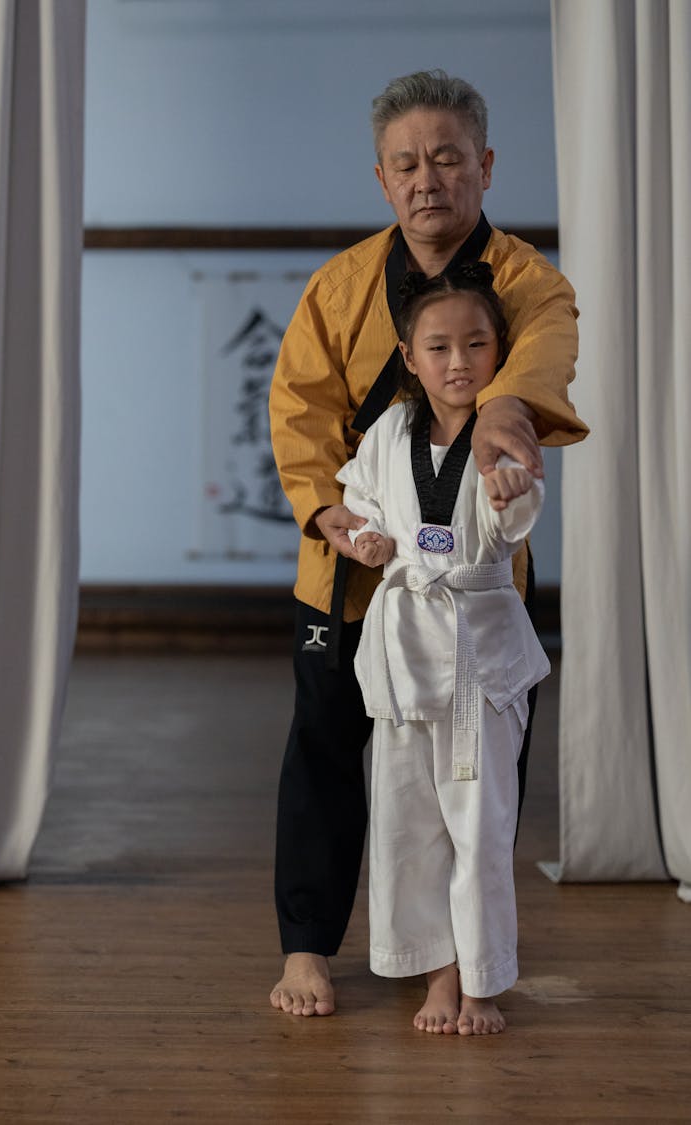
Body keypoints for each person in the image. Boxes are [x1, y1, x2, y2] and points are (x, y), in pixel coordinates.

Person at [268, 68, 588, 1018]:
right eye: (406, 163)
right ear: (381, 178)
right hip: (354, 562)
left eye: (448, 158)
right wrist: (325, 511)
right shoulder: (343, 285)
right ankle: (306, 947)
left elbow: (540, 359)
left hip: (476, 582)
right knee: (325, 747)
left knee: (477, 780)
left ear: (485, 166)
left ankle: (459, 962)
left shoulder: (533, 284)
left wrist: (501, 413)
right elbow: (300, 406)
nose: (427, 179)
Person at [336, 261, 549, 1035]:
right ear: (409, 354)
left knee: (480, 825)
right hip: (403, 653)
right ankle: (437, 973)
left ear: (500, 351)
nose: (458, 362)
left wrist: (508, 489)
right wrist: (363, 538)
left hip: (478, 658)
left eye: (476, 344)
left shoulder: (501, 433)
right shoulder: (389, 434)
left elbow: (520, 503)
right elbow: (360, 501)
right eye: (439, 346)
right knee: (406, 827)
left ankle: (483, 981)